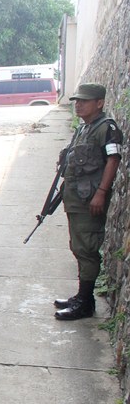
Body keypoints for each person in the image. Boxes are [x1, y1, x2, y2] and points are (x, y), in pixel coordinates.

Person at [54, 83, 124, 321]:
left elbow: (113, 160)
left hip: (90, 200)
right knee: (79, 246)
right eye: (76, 101)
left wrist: (101, 192)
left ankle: (85, 303)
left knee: (87, 250)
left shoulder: (106, 128)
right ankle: (82, 296)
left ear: (99, 103)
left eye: (84, 100)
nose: (78, 104)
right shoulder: (85, 128)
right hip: (77, 198)